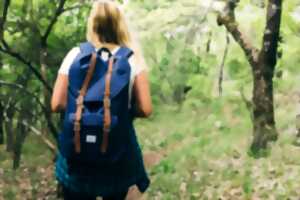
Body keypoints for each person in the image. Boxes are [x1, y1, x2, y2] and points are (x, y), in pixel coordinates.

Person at [51, 1, 152, 199]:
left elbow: (56, 104)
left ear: (93, 24)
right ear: (119, 24)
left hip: (78, 153)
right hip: (117, 151)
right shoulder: (132, 59)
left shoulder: (75, 54)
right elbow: (146, 109)